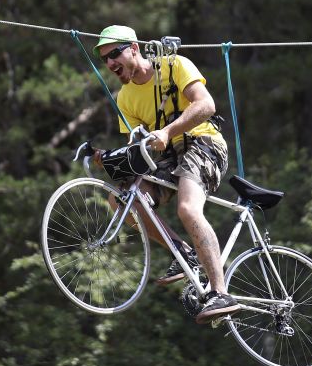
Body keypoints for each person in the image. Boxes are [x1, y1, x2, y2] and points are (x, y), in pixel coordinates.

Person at [92, 25, 239, 324]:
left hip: (205, 143)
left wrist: (168, 131)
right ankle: (183, 252)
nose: (110, 64)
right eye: (105, 59)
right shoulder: (125, 99)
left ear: (134, 47)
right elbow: (137, 151)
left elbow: (206, 105)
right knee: (122, 201)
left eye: (114, 54)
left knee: (187, 208)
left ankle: (221, 292)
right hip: (170, 156)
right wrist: (109, 162)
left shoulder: (175, 66)